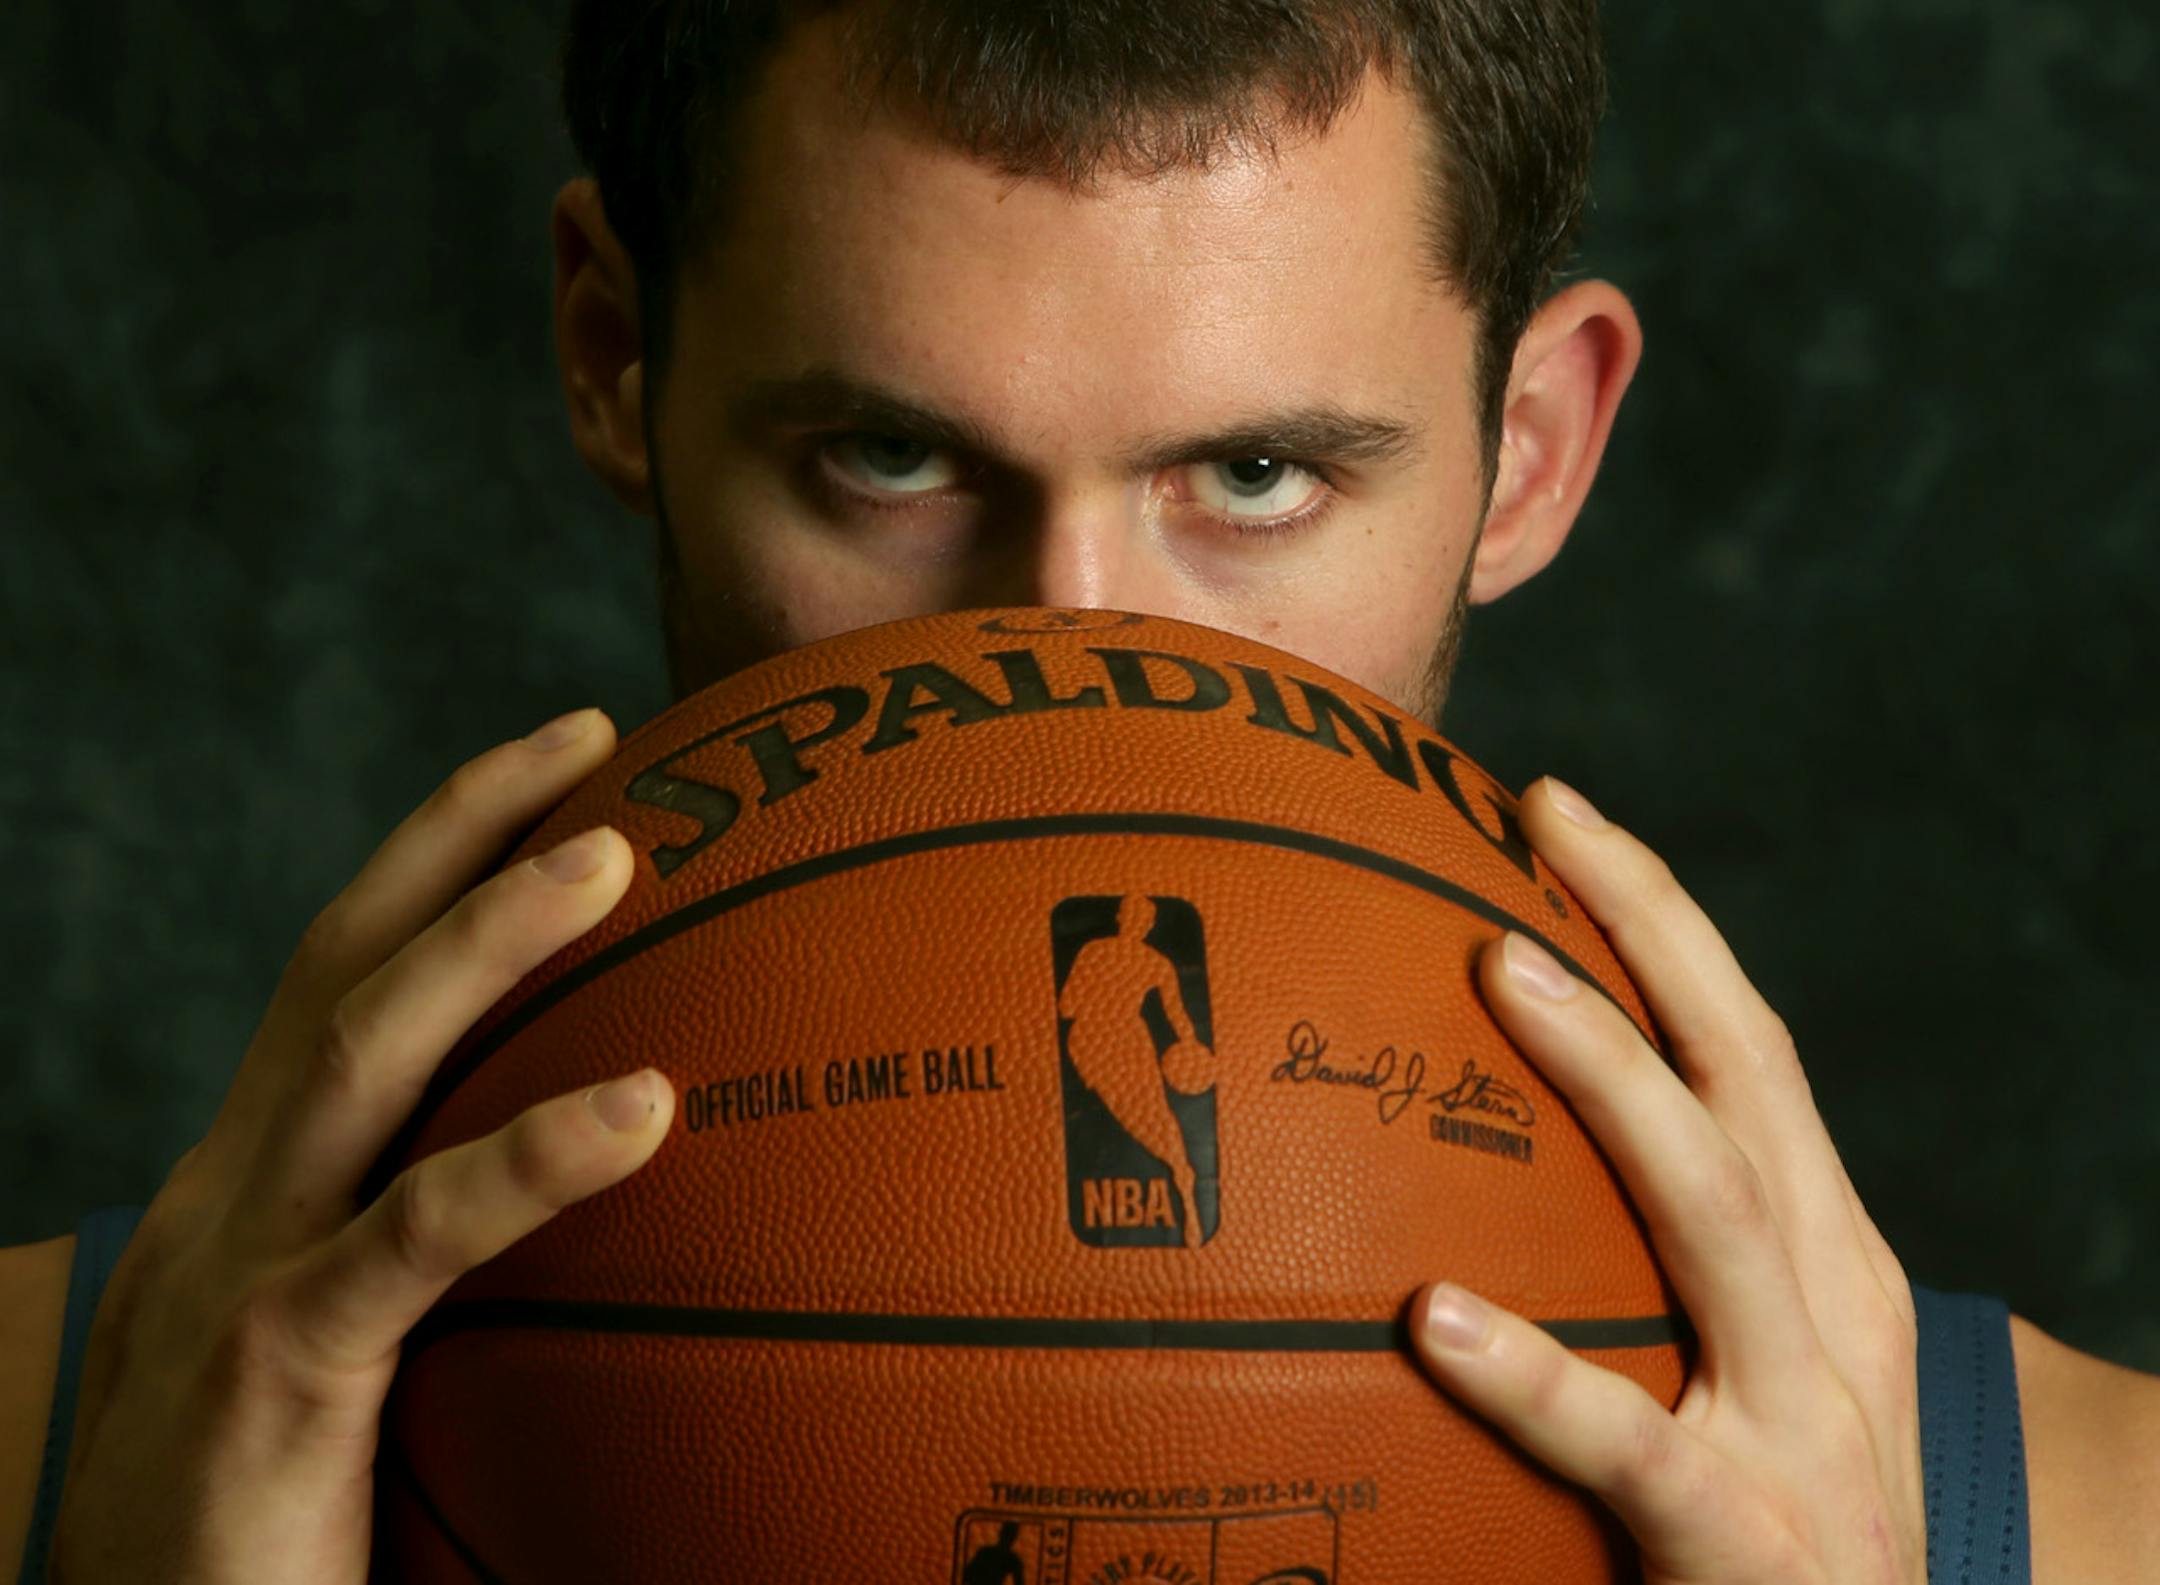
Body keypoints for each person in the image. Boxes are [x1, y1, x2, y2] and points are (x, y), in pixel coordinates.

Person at [3, 1, 2154, 1580]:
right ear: (611, 353)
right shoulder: (49, 1446)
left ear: (1532, 447)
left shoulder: (2082, 1524)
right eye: (892, 458)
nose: (1073, 649)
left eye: (1254, 475)